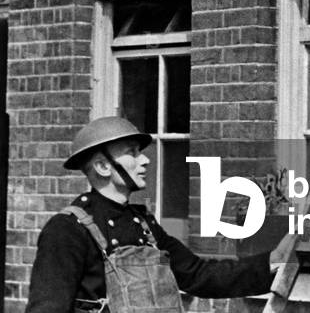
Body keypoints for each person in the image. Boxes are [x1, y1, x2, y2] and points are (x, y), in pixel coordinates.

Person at [25, 117, 282, 313]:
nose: (145, 160)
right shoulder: (68, 229)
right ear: (103, 167)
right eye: (132, 152)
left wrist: (272, 263)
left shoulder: (145, 226)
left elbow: (198, 275)